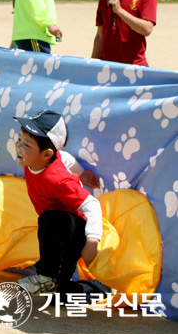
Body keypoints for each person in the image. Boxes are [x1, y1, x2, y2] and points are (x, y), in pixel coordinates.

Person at [13, 110, 111, 299]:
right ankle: (106, 289)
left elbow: (91, 205)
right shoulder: (33, 160)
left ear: (46, 154)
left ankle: (45, 277)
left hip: (72, 231)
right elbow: (64, 158)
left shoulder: (58, 180)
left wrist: (92, 240)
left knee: (51, 218)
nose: (18, 147)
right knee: (60, 295)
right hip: (59, 238)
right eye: (19, 139)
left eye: (26, 144)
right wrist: (81, 172)